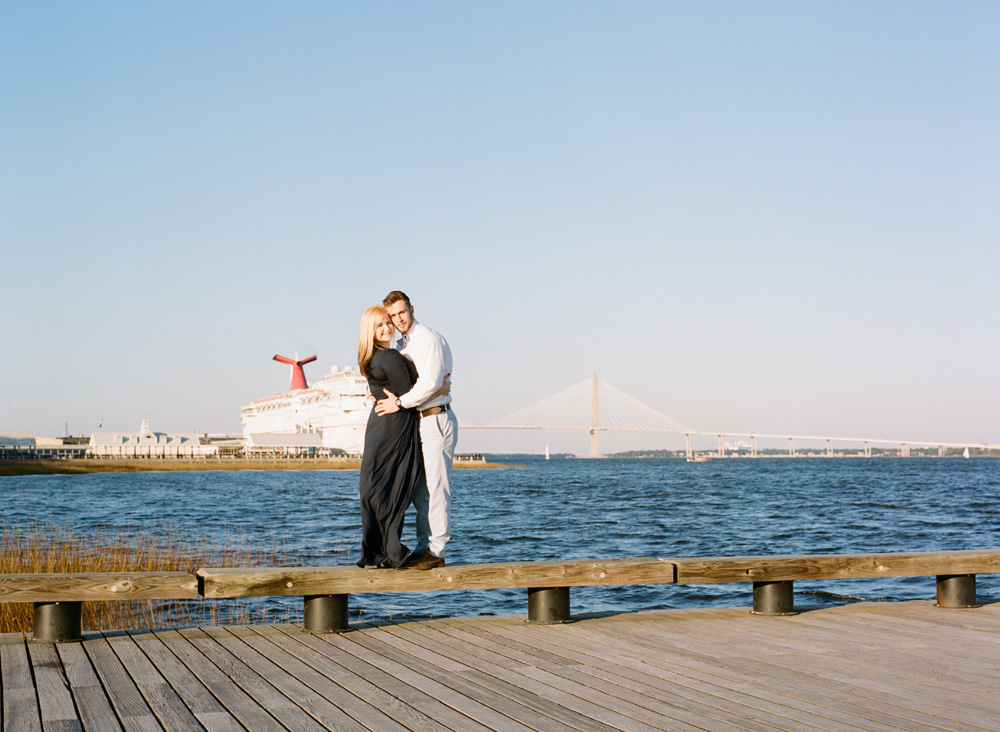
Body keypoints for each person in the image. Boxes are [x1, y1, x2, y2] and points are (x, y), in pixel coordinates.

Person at [375, 290, 457, 570]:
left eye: (401, 312)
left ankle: (436, 550)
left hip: (436, 418)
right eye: (393, 316)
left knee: (436, 487)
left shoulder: (428, 339)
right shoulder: (403, 346)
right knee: (421, 489)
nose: (398, 319)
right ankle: (425, 547)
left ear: (411, 308)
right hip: (418, 421)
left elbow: (431, 384)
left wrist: (399, 402)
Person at [355, 305, 424, 569]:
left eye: (388, 323)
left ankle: (375, 553)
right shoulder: (390, 355)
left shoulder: (371, 358)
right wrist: (439, 385)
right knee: (392, 488)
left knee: (375, 488)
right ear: (369, 331)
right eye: (379, 325)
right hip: (394, 426)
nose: (387, 328)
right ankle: (389, 551)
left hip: (379, 427)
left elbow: (381, 387)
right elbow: (409, 393)